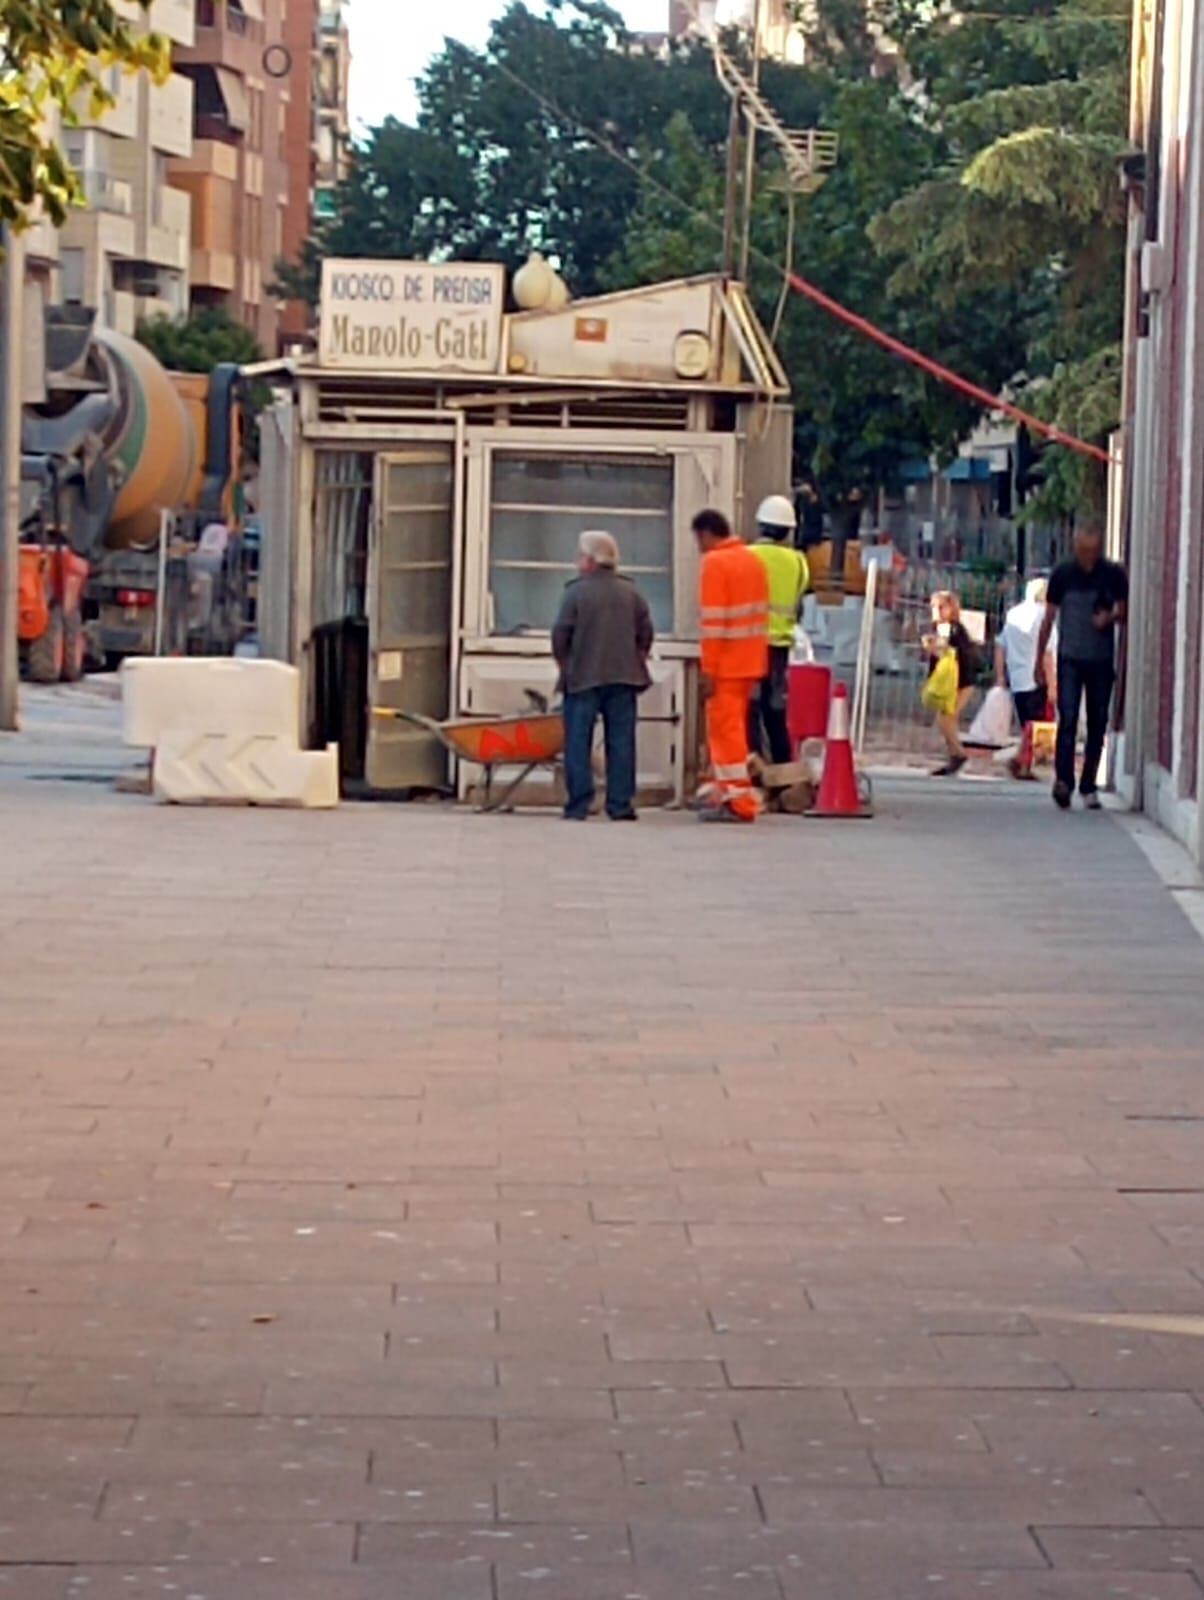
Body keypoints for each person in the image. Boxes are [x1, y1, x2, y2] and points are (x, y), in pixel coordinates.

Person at [552, 530, 654, 822]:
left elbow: (561, 634)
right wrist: (636, 659)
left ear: (588, 560)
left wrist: (565, 664)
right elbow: (646, 633)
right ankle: (620, 804)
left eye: (579, 556)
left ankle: (579, 804)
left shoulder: (575, 592)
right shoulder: (632, 592)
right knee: (621, 742)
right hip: (625, 678)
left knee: (578, 741)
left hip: (582, 677)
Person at [1036, 525, 1128, 811]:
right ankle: (1063, 781)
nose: (1087, 556)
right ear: (1075, 548)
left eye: (1092, 551)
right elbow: (1049, 617)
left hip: (1100, 659)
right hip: (1070, 657)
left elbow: (1124, 611)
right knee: (1069, 716)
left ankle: (1089, 784)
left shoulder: (1113, 574)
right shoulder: (1063, 575)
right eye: (1082, 551)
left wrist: (1109, 617)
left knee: (1098, 721)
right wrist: (1040, 659)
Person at [692, 508, 769, 823]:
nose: (698, 546)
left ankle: (739, 801)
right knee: (735, 728)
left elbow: (714, 624)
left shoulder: (715, 563)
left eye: (698, 539)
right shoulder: (752, 561)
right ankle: (724, 792)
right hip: (750, 662)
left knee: (726, 734)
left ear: (707, 534)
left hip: (725, 666)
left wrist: (707, 670)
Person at [748, 494, 810, 766]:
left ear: (761, 525)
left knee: (749, 708)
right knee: (775, 709)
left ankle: (755, 763)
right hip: (780, 646)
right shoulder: (798, 562)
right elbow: (798, 606)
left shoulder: (748, 556)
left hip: (750, 642)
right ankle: (784, 767)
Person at [994, 577, 1055, 780]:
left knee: (1027, 724)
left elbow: (1000, 646)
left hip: (1017, 678)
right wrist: (1053, 683)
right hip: (1037, 678)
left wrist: (1001, 675)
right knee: (1037, 724)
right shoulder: (1044, 616)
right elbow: (1047, 653)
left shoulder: (1013, 614)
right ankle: (1023, 763)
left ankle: (1022, 762)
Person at [925, 589, 978, 776]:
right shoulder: (938, 628)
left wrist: (938, 647)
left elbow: (953, 651)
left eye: (942, 607)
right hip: (949, 682)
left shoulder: (954, 628)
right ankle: (954, 755)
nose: (937, 611)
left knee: (946, 718)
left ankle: (959, 754)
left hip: (962, 681)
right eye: (934, 607)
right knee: (946, 719)